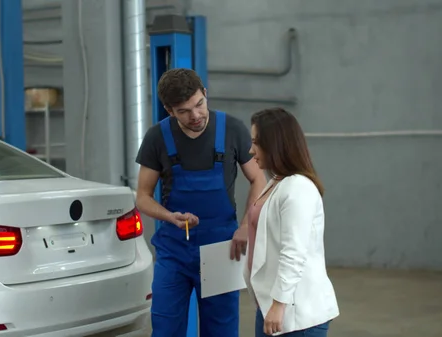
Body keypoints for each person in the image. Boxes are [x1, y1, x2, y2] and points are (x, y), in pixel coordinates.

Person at [135, 68, 267, 337]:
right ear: (169, 110)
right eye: (184, 111)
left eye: (199, 104)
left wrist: (245, 227)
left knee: (221, 330)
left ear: (205, 94)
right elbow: (142, 197)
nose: (195, 116)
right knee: (165, 329)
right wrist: (170, 216)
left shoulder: (232, 129)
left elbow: (259, 180)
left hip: (222, 248)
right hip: (174, 250)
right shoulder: (156, 137)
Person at [244, 107, 340, 337]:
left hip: (294, 314)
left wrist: (279, 305)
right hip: (271, 306)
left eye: (257, 142)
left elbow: (293, 252)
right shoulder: (278, 182)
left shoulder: (297, 188)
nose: (251, 150)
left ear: (276, 143)